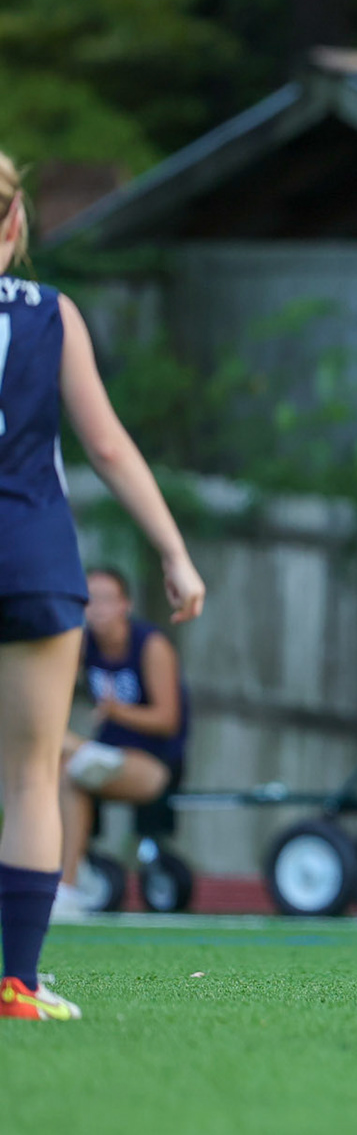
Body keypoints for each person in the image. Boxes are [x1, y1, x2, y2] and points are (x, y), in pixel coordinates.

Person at [0, 148, 205, 1020]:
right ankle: (15, 982)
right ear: (16, 226)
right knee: (31, 777)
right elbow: (110, 447)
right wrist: (173, 551)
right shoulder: (49, 313)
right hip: (30, 561)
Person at [55, 567, 191, 917]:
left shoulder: (151, 645)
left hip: (153, 763)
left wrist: (117, 711)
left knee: (68, 758)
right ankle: (66, 880)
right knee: (62, 765)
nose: (96, 608)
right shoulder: (84, 645)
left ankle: (69, 886)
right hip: (105, 758)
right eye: (89, 600)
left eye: (105, 600)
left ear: (124, 605)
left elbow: (168, 719)